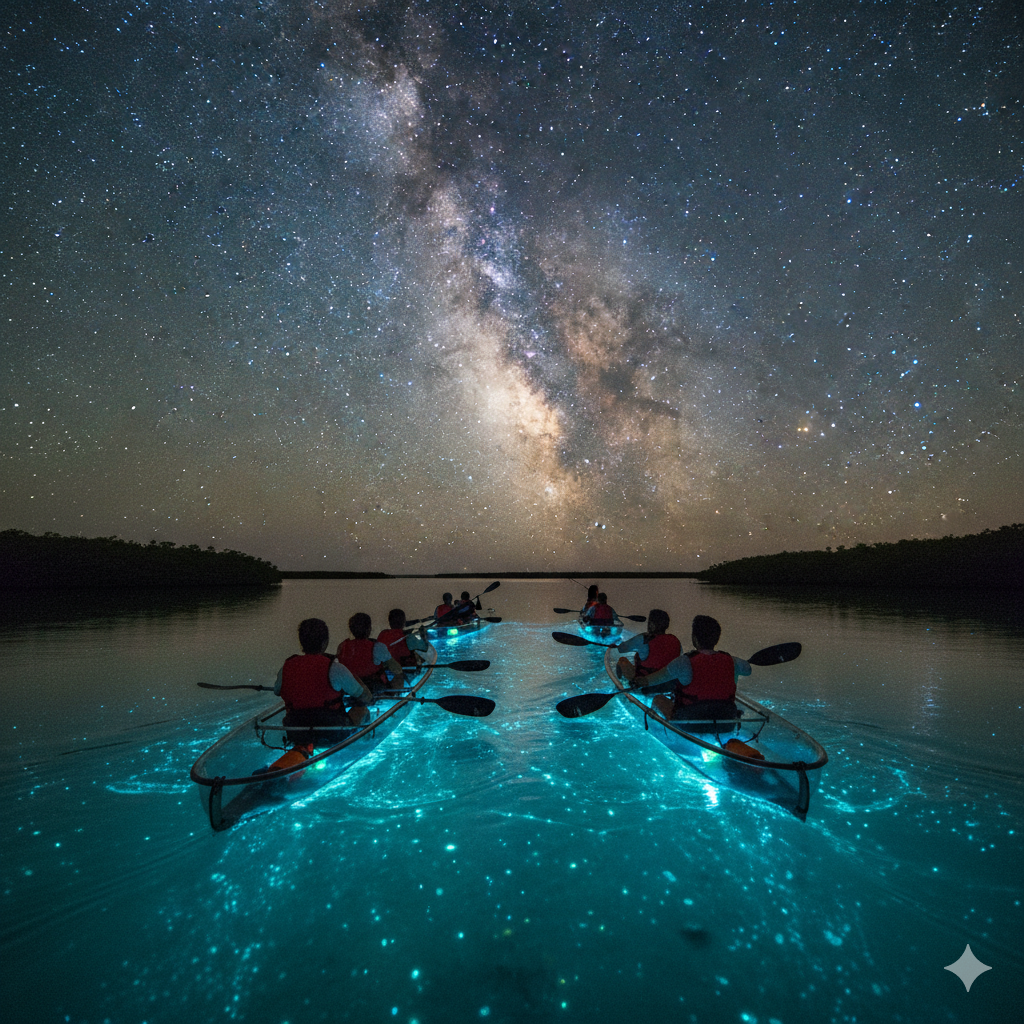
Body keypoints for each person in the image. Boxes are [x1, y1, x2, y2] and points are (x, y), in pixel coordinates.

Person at [272, 618, 373, 758]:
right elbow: (365, 696)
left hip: (297, 731)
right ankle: (363, 748)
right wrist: (353, 677)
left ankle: (303, 749)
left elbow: (277, 691)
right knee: (361, 709)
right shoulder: (335, 668)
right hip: (331, 733)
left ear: (301, 642)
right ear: (325, 642)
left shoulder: (286, 667)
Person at [646, 615, 752, 722]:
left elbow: (651, 681)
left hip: (690, 721)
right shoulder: (733, 661)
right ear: (716, 639)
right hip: (726, 719)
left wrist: (637, 682)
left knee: (658, 699)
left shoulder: (683, 661)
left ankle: (661, 727)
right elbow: (748, 670)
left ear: (695, 639)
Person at [337, 612, 405, 694]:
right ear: (369, 629)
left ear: (351, 630)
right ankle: (399, 694)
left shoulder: (342, 647)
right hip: (373, 688)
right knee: (397, 671)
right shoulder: (377, 646)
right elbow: (397, 669)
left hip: (350, 688)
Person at [616, 608, 682, 682]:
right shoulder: (675, 640)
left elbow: (621, 649)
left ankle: (620, 685)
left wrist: (619, 644)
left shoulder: (644, 638)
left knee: (622, 660)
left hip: (644, 682)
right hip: (668, 683)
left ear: (652, 624)